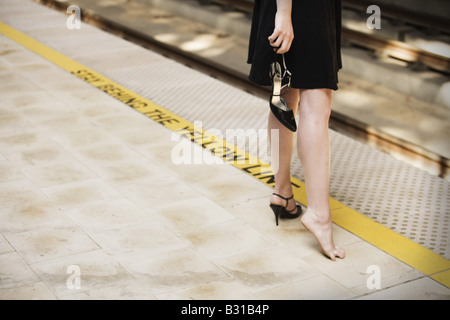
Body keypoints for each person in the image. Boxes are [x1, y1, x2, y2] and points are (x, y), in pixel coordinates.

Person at [247, 0, 345, 260]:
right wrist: (284, 12)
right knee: (316, 103)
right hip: (301, 8)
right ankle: (319, 215)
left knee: (284, 94)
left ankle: (282, 192)